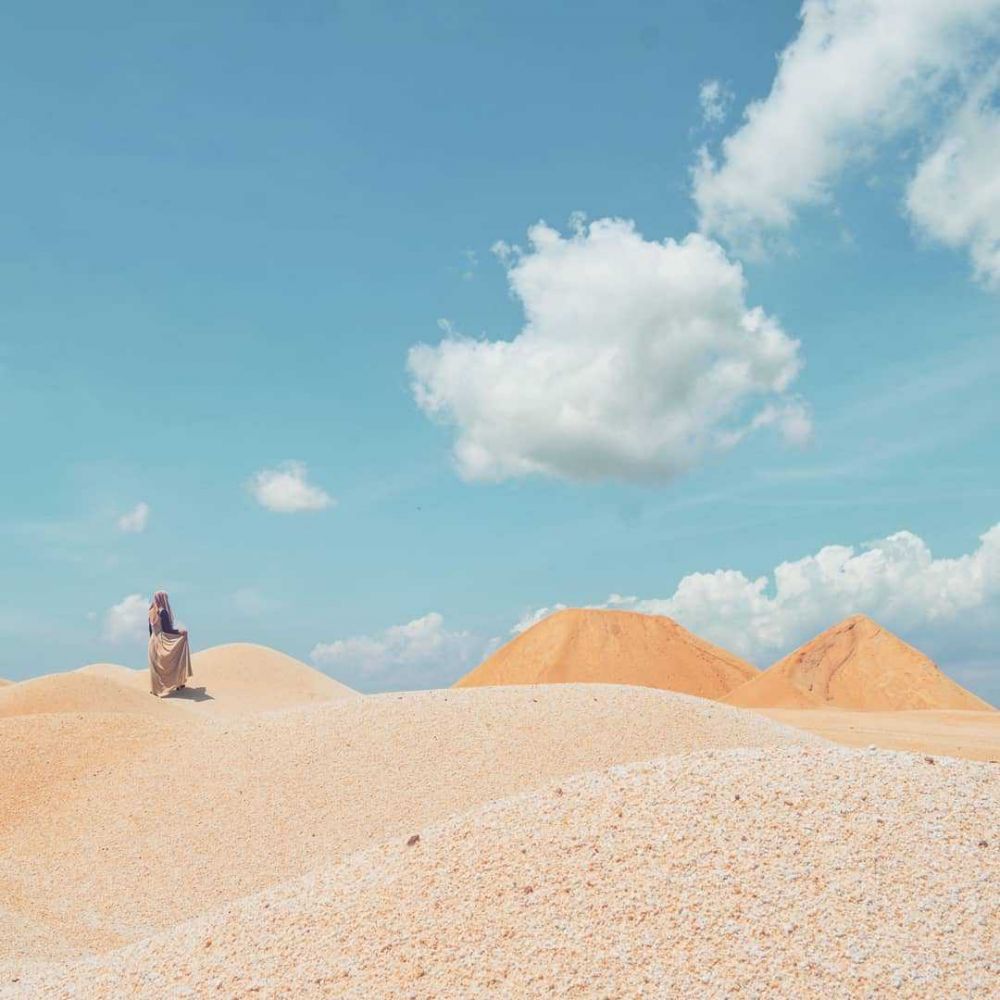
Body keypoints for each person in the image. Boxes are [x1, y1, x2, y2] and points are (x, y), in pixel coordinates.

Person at [147, 591, 192, 697]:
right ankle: (178, 683)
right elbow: (167, 629)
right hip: (162, 640)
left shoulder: (151, 611)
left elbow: (150, 630)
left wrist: (153, 641)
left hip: (152, 641)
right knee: (175, 659)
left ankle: (155, 690)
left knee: (156, 668)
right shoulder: (163, 612)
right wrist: (180, 632)